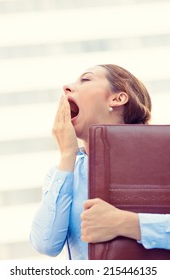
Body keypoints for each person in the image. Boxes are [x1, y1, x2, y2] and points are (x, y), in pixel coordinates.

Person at [30, 64, 170, 260]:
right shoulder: (63, 172)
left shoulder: (163, 157)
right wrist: (67, 155)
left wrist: (125, 223)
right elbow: (45, 244)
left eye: (86, 79)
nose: (66, 87)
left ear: (117, 98)